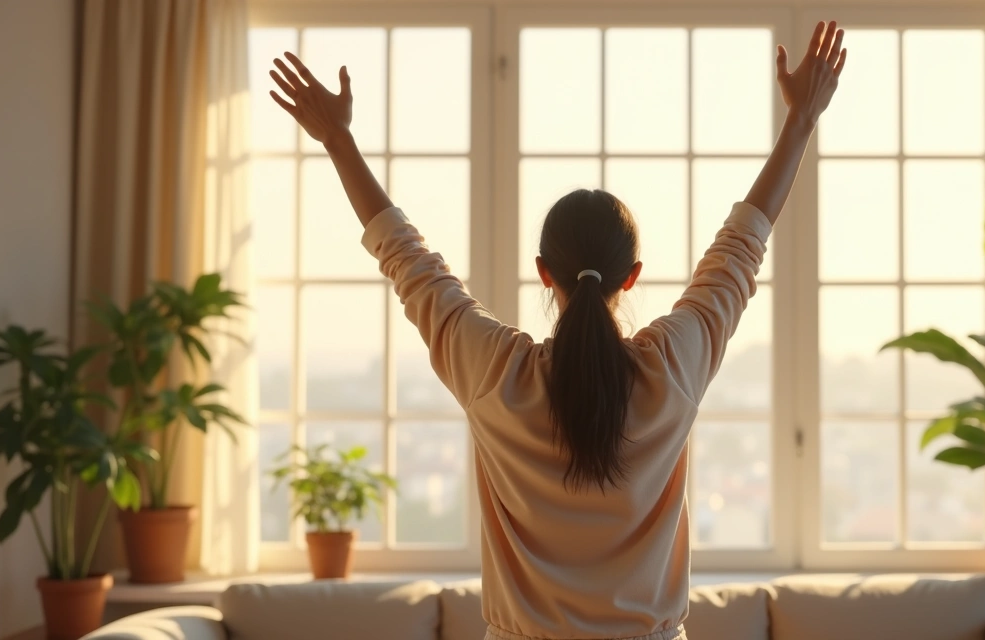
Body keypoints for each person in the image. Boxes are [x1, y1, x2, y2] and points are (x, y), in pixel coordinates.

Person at [269, 20, 846, 640]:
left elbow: (407, 259)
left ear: (544, 273)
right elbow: (743, 246)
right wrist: (801, 121)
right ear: (633, 277)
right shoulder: (672, 367)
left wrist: (338, 140)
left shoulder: (496, 372)